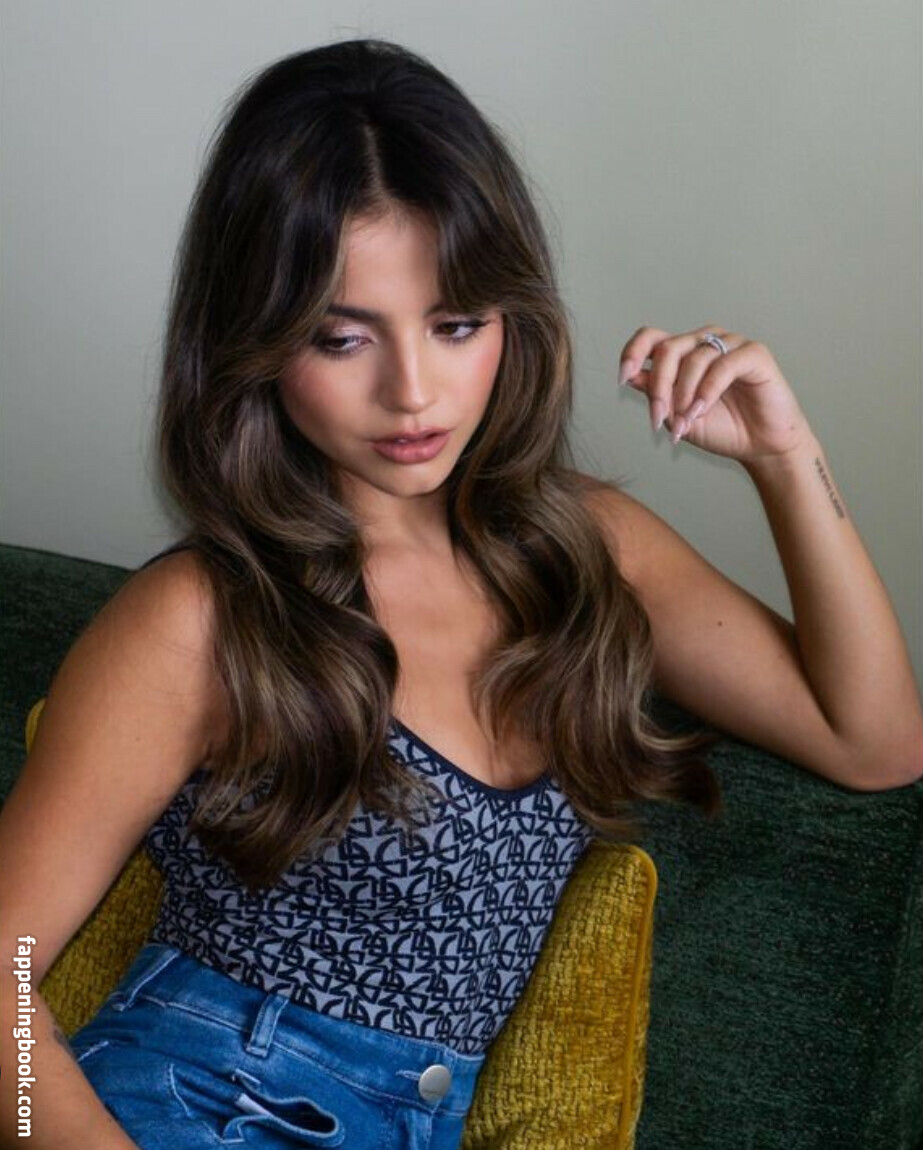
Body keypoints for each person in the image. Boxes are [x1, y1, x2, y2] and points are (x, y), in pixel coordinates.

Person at [1, 36, 920, 1150]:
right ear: (255, 343)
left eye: (454, 324)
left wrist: (783, 454)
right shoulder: (202, 618)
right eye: (342, 337)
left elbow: (873, 743)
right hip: (199, 1104)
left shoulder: (589, 551)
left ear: (511, 320)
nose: (412, 392)